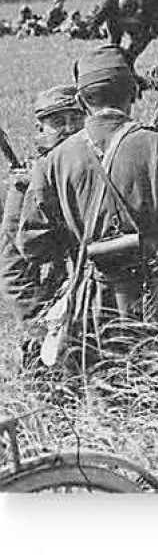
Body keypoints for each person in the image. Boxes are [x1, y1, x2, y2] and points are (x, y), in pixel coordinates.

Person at [18, 46, 158, 366]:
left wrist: (85, 240)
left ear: (82, 101)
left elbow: (32, 246)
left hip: (92, 308)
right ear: (133, 93)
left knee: (106, 395)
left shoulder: (53, 161)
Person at [3, 86, 83, 370]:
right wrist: (42, 324)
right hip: (60, 304)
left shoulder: (98, 166)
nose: (70, 128)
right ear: (41, 130)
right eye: (58, 122)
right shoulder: (28, 186)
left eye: (77, 118)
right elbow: (14, 270)